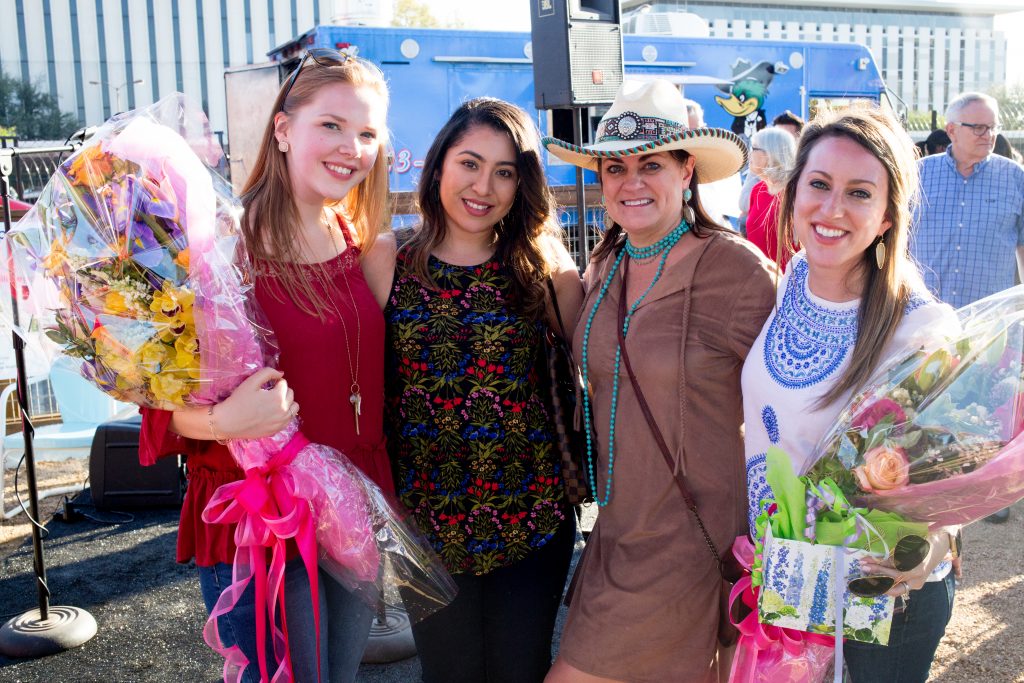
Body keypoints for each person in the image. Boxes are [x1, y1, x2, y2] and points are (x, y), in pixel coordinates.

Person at [139, 50, 396, 682]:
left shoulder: (357, 237)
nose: (351, 148)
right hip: (264, 520)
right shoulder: (220, 246)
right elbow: (155, 403)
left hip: (352, 506)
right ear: (283, 129)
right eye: (330, 125)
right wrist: (226, 418)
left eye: (366, 133)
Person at [541, 79, 776, 683]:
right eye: (615, 167)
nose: (631, 182)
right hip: (615, 533)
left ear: (687, 169)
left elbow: (790, 406)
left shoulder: (736, 269)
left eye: (651, 164)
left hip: (693, 538)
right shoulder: (604, 264)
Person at [743, 107, 959, 683]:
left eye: (860, 193)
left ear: (889, 216)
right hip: (791, 586)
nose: (832, 208)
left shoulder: (921, 328)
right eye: (819, 184)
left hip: (880, 602)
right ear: (793, 193)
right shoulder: (790, 280)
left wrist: (928, 552)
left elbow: (946, 483)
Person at [384, 97, 583, 683]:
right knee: (448, 674)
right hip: (426, 524)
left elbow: (596, 374)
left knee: (520, 671)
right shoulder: (389, 259)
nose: (484, 186)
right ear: (439, 163)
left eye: (505, 172)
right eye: (470, 163)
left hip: (533, 519)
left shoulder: (543, 266)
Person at [911, 93, 1024, 524]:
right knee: (923, 400)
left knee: (989, 405)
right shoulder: (917, 177)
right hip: (925, 316)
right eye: (978, 127)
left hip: (990, 323)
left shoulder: (1015, 179)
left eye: (993, 127)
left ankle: (991, 492)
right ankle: (923, 481)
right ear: (952, 130)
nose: (989, 135)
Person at [745, 126, 796, 268]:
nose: (749, 154)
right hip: (757, 279)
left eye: (754, 148)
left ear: (769, 153)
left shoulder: (795, 193)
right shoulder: (757, 190)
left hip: (788, 283)